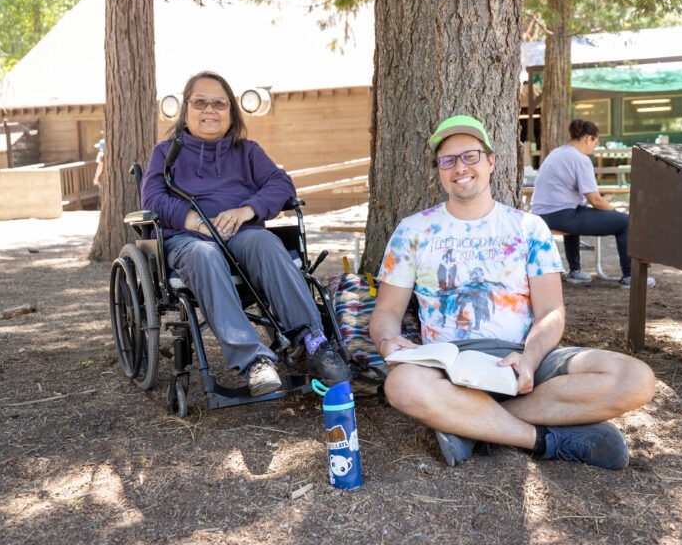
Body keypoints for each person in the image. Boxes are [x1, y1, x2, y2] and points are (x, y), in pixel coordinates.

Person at [369, 115, 655, 469]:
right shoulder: (412, 230)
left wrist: (531, 359)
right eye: (448, 160)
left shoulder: (529, 227)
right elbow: (387, 311)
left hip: (523, 359)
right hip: (446, 366)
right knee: (401, 386)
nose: (460, 167)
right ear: (439, 170)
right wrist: (386, 341)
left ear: (491, 161)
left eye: (470, 156)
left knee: (635, 379)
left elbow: (551, 311)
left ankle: (469, 424)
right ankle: (544, 440)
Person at [140, 71, 350, 395]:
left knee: (266, 241)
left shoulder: (247, 151)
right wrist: (194, 221)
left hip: (240, 231)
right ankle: (254, 362)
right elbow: (152, 198)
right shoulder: (166, 153)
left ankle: (313, 341)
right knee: (204, 254)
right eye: (200, 102)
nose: (209, 110)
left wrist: (246, 210)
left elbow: (281, 184)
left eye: (219, 103)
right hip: (188, 239)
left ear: (231, 111)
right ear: (186, 108)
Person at [530, 119, 654, 289]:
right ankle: (630, 276)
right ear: (588, 138)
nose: (595, 146)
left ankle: (575, 271)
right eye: (596, 142)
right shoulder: (580, 159)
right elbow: (594, 199)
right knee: (625, 222)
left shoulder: (557, 152)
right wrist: (614, 212)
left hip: (542, 215)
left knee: (577, 213)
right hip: (562, 214)